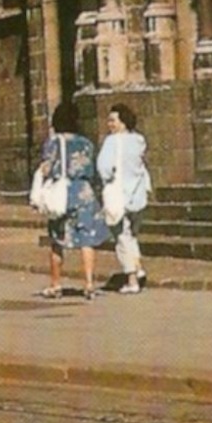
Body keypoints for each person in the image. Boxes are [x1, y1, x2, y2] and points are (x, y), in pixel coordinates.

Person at [38, 101, 109, 301]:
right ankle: (88, 283)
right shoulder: (87, 143)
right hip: (84, 192)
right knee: (87, 238)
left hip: (62, 193)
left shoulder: (53, 142)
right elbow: (92, 170)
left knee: (57, 239)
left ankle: (55, 284)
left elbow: (47, 168)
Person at [97, 102, 151, 295]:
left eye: (113, 120)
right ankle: (137, 267)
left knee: (121, 237)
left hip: (119, 195)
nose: (109, 124)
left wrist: (107, 178)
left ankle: (132, 279)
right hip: (137, 194)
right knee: (131, 236)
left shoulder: (112, 142)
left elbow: (103, 167)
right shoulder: (139, 140)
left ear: (122, 122)